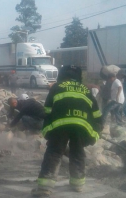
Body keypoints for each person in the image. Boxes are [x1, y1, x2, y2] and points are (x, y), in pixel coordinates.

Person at [31, 65, 103, 197]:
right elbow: (97, 114)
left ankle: (45, 188)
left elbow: (47, 110)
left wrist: (49, 128)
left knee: (54, 152)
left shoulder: (57, 87)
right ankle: (78, 185)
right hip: (81, 126)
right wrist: (97, 130)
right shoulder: (86, 90)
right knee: (78, 152)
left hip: (60, 125)